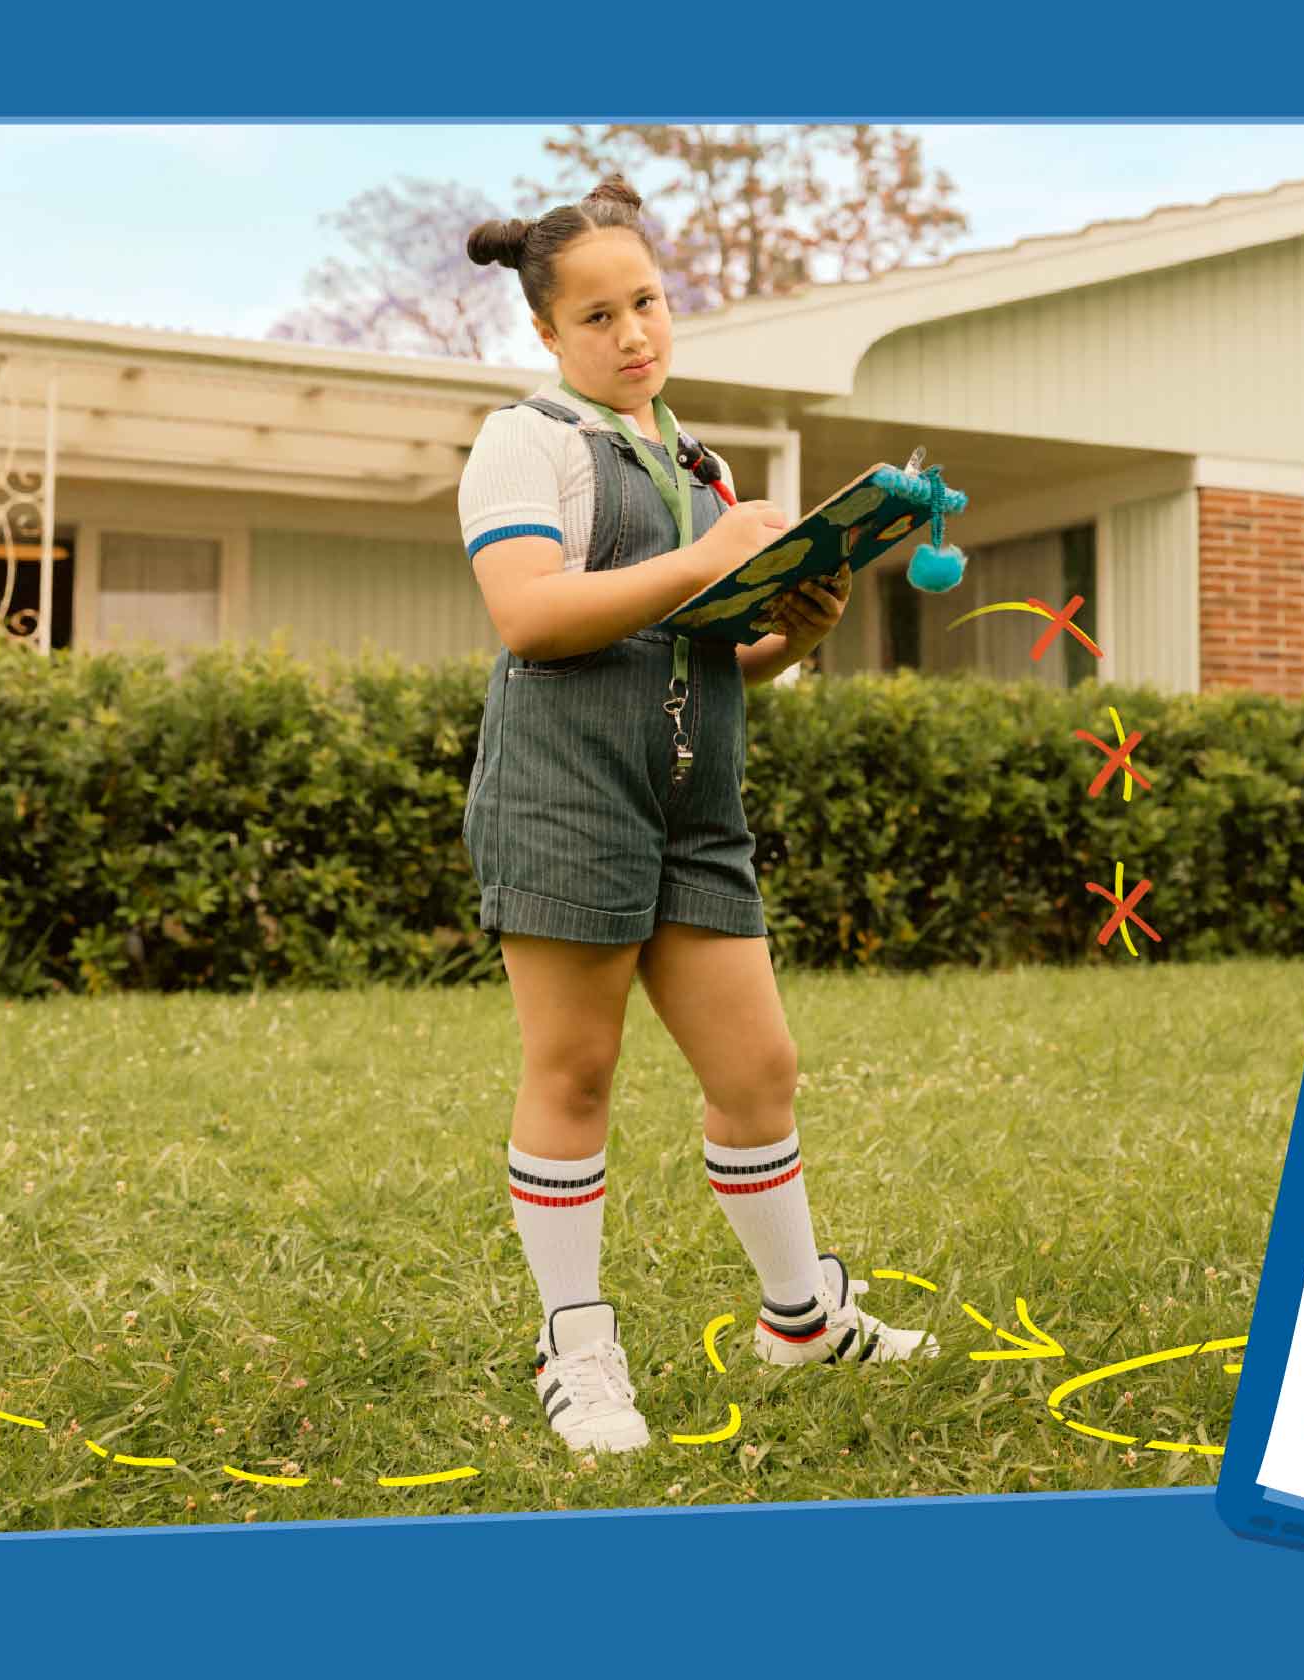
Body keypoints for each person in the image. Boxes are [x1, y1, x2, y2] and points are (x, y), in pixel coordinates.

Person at [458, 175, 937, 1458]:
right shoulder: (528, 440)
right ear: (550, 337)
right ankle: (578, 1350)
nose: (634, 335)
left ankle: (799, 1318)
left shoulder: (698, 465)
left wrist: (792, 632)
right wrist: (704, 561)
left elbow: (708, 652)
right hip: (565, 802)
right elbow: (531, 616)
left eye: (649, 303)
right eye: (600, 316)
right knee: (576, 1072)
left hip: (691, 808)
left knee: (757, 1071)